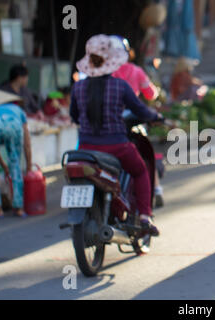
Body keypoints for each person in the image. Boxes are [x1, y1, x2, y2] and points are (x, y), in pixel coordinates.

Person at [70, 34, 163, 236]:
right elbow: (141, 110)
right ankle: (145, 216)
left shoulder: (78, 87)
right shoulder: (120, 87)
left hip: (86, 149)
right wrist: (155, 117)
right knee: (140, 171)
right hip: (117, 146)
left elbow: (74, 116)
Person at [111, 36, 165, 208]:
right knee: (144, 157)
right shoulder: (135, 71)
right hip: (132, 121)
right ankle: (155, 190)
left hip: (108, 125)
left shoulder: (101, 75)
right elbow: (151, 94)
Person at [0, 89, 33, 218]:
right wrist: (29, 166)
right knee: (15, 165)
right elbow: (27, 143)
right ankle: (18, 208)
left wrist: (2, 165)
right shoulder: (19, 112)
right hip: (13, 126)